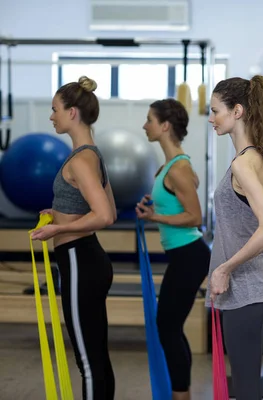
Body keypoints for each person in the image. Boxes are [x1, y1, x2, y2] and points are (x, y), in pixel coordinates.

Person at [30, 76, 117, 399]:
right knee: (96, 358)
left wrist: (59, 228)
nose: (51, 116)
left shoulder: (80, 160)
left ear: (72, 113)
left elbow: (105, 217)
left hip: (80, 261)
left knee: (88, 362)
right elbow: (108, 211)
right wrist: (58, 213)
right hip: (87, 260)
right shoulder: (92, 155)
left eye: (55, 110)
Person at [206, 75, 263, 400]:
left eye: (215, 111)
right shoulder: (256, 159)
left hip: (246, 292)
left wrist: (225, 268)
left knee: (245, 389)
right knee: (245, 387)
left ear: (237, 111)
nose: (211, 118)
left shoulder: (243, 164)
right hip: (250, 293)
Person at [135, 98, 211, 400]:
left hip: (190, 255)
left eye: (149, 119)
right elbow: (176, 203)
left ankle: (181, 394)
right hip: (182, 256)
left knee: (167, 327)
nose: (144, 125)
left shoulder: (178, 168)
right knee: (171, 327)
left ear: (164, 126)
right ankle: (183, 393)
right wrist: (151, 207)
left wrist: (155, 216)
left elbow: (195, 217)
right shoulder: (170, 165)